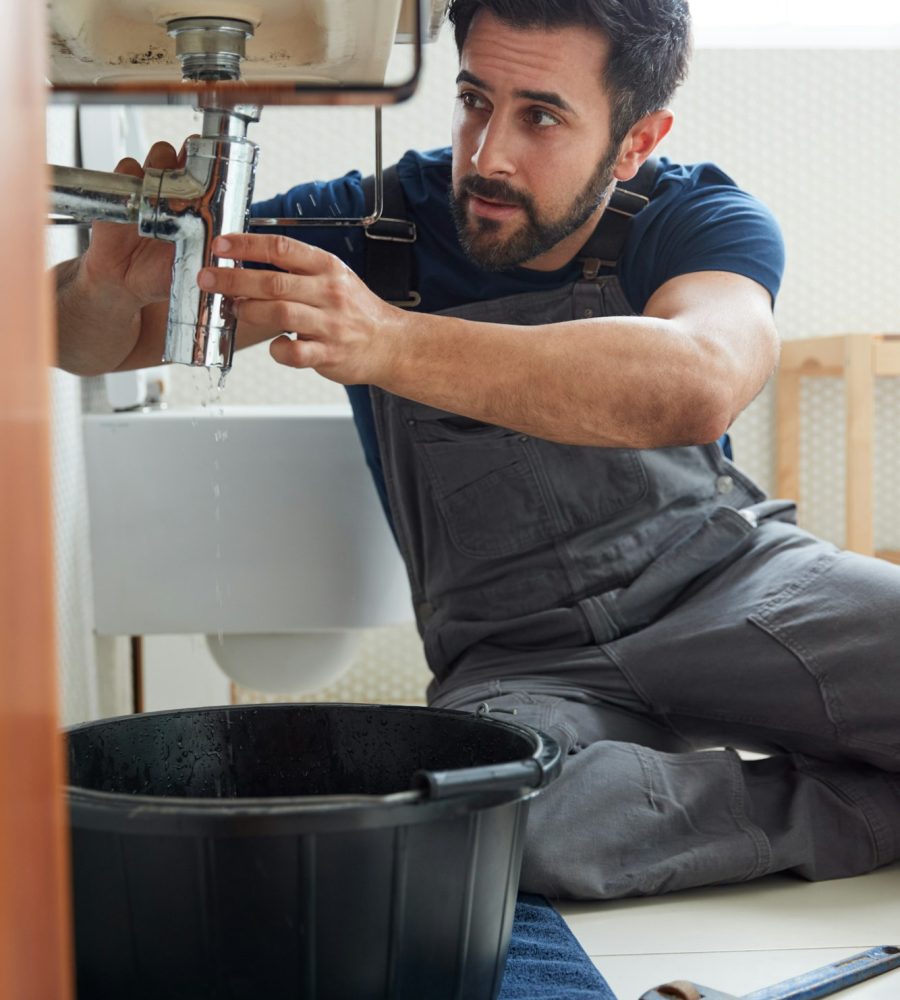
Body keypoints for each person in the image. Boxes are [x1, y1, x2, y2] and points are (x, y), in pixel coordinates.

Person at [55, 0, 900, 900]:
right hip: (515, 659)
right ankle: (866, 810)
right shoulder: (372, 226)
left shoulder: (696, 219)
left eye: (541, 115)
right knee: (494, 825)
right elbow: (84, 339)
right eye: (472, 100)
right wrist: (106, 289)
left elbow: (698, 380)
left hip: (729, 585)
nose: (488, 154)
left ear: (635, 140)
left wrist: (389, 342)